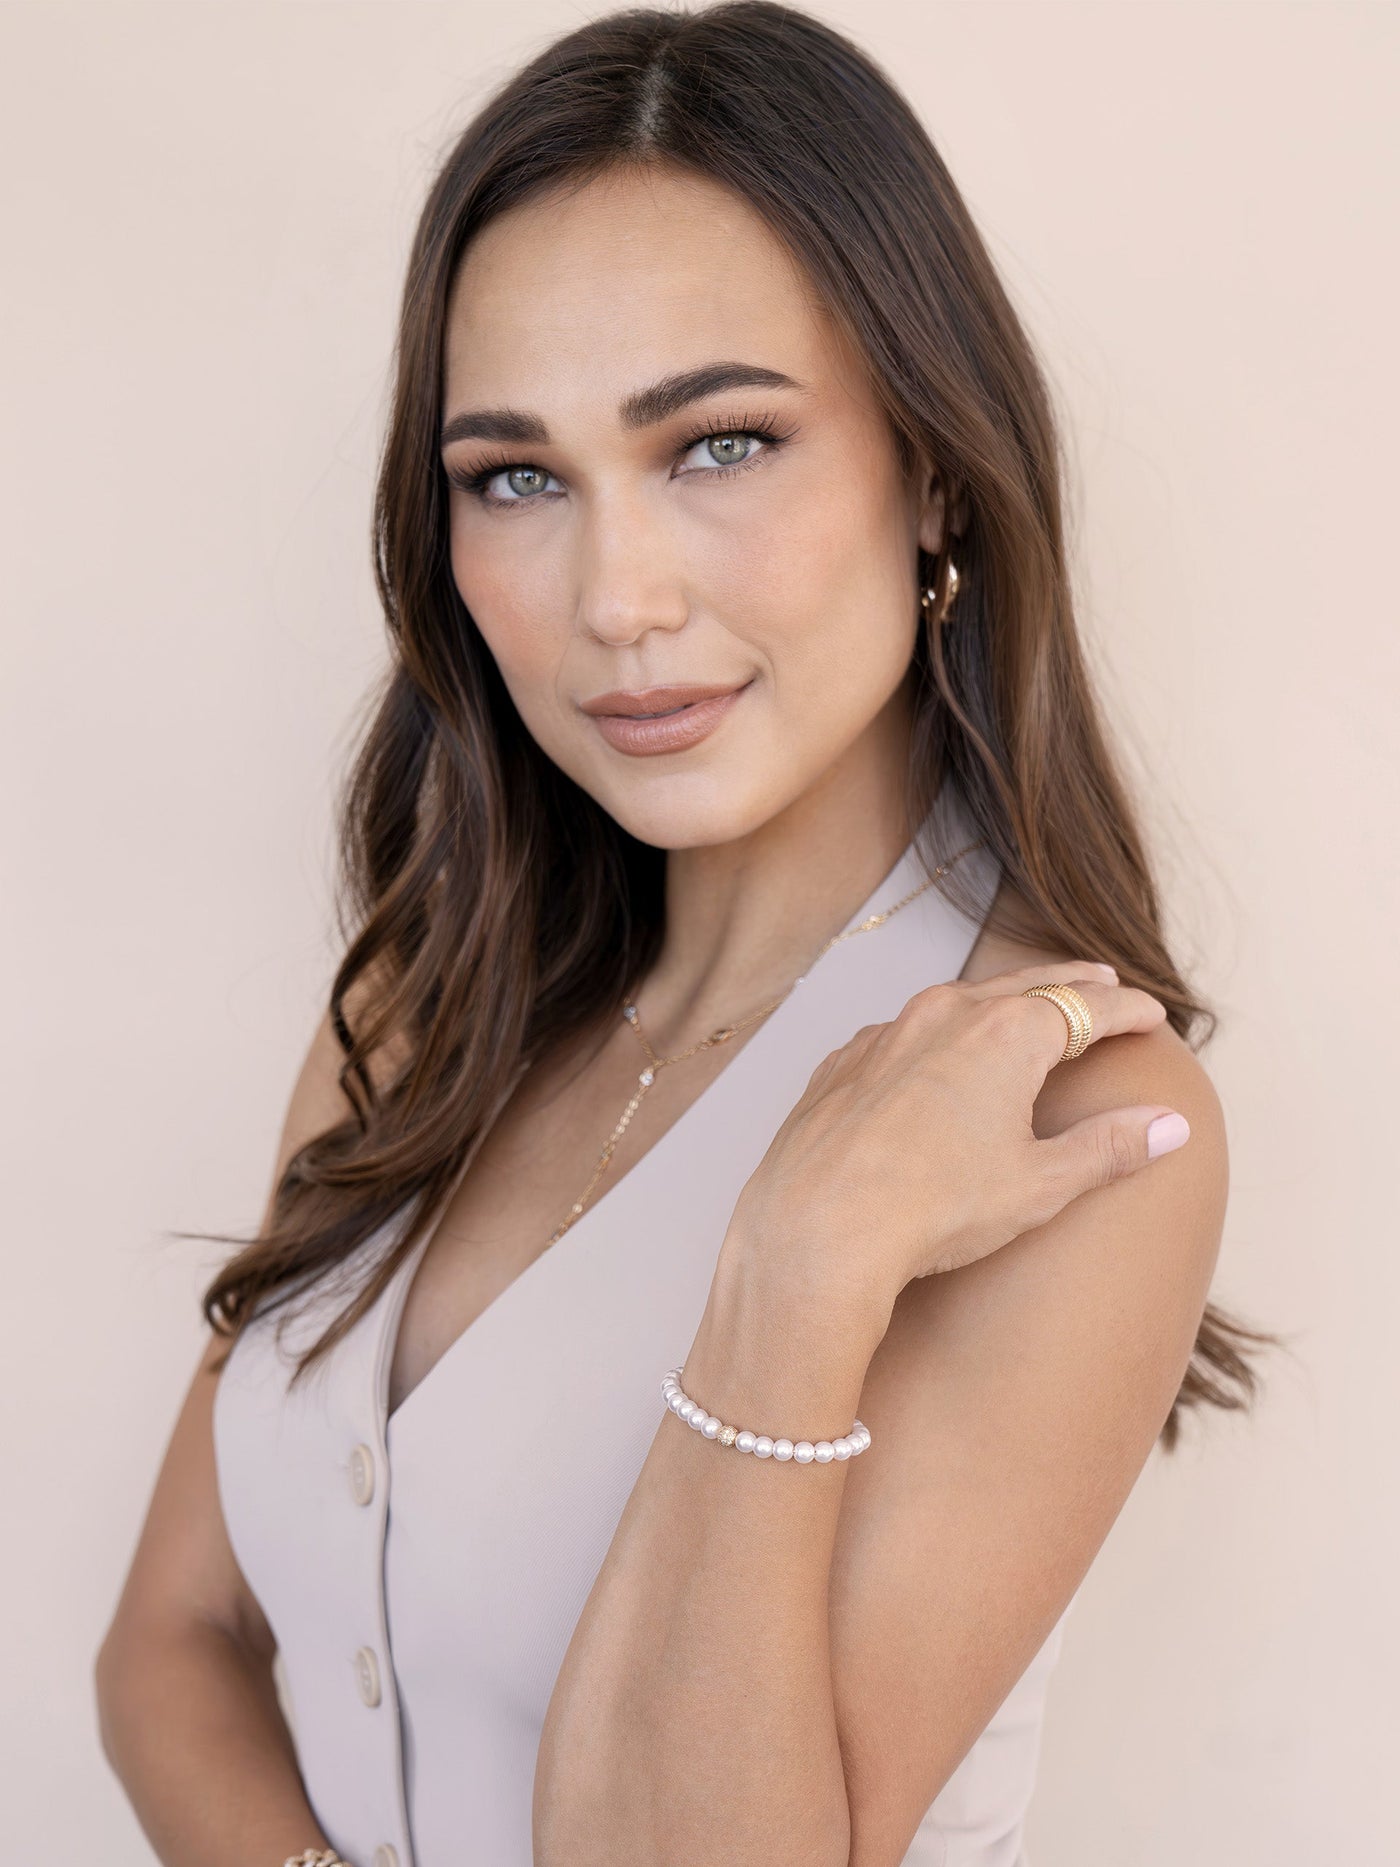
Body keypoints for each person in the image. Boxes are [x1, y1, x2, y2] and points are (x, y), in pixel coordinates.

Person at [94, 5, 1269, 1863]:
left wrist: (793, 1281)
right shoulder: (425, 998)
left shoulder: (1080, 1127)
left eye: (719, 445)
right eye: (518, 477)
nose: (616, 600)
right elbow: (173, 1645)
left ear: (937, 469)